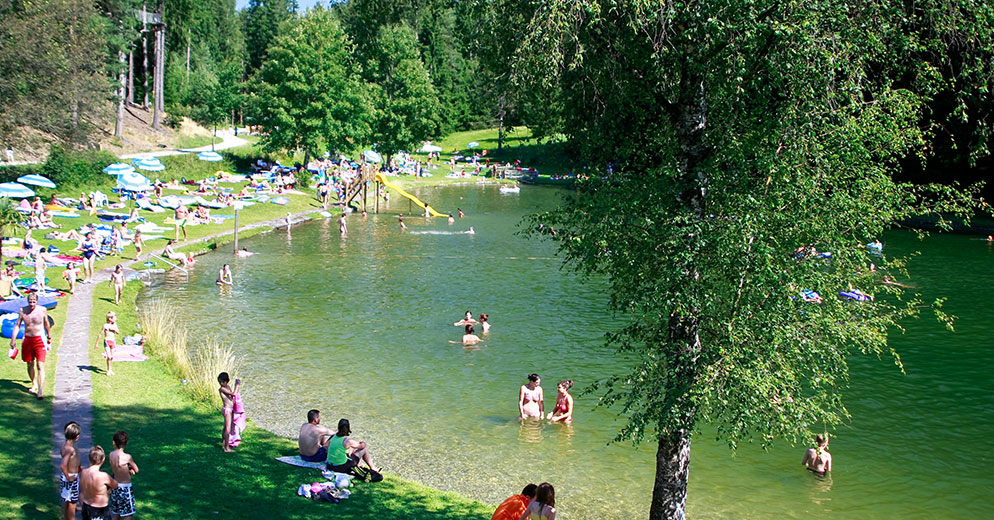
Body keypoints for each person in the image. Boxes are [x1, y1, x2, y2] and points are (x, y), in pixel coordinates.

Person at [11, 293, 52, 398]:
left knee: (40, 364)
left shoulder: (42, 310)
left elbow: (46, 323)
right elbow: (17, 325)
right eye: (30, 302)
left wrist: (49, 337)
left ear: (37, 301)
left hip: (39, 339)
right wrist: (13, 339)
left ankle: (40, 391)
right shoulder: (23, 311)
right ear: (27, 301)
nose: (32, 304)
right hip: (27, 339)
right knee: (29, 363)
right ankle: (34, 384)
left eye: (34, 302)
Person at [79, 445, 118, 520]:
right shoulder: (103, 476)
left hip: (86, 506)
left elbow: (81, 490)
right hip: (100, 509)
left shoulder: (84, 472)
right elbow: (115, 485)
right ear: (103, 459)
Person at [109, 430, 139, 520]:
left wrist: (128, 469)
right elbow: (136, 469)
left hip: (115, 486)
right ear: (126, 443)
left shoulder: (111, 455)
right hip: (125, 488)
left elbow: (118, 468)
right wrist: (130, 468)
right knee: (128, 514)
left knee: (116, 513)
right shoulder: (127, 457)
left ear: (114, 442)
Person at [60, 422, 82, 520]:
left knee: (67, 501)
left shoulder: (66, 446)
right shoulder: (70, 449)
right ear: (76, 436)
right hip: (71, 478)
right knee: (73, 503)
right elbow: (63, 465)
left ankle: (66, 517)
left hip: (70, 476)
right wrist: (69, 477)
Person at [218, 372, 241, 452]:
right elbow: (233, 394)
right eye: (220, 382)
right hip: (227, 410)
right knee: (227, 429)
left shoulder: (227, 387)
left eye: (223, 382)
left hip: (230, 410)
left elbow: (232, 397)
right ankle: (227, 448)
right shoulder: (222, 389)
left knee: (226, 428)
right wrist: (237, 386)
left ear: (227, 381)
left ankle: (224, 445)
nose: (221, 383)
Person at [94, 312, 119, 376]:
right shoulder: (105, 325)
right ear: (110, 319)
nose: (116, 319)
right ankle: (108, 370)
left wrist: (113, 329)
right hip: (107, 342)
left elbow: (118, 332)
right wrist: (97, 343)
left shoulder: (114, 325)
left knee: (112, 357)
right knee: (109, 357)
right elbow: (100, 334)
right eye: (114, 318)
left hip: (112, 341)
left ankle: (111, 369)